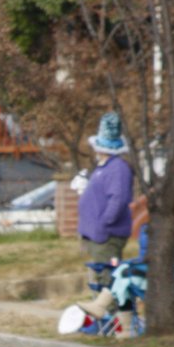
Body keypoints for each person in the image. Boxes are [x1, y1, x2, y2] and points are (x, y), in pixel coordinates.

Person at [75, 112, 134, 291]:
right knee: (99, 282)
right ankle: (106, 317)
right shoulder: (105, 167)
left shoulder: (117, 168)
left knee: (108, 284)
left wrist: (103, 224)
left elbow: (118, 200)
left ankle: (115, 318)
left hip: (106, 237)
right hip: (97, 236)